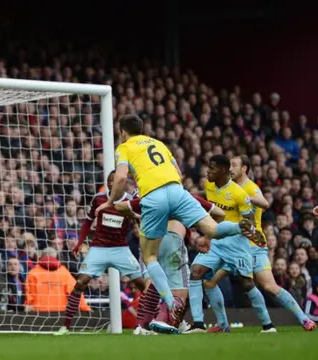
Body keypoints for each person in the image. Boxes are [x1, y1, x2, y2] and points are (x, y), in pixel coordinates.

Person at [97, 114, 255, 334]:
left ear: (123, 132)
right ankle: (241, 226)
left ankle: (171, 305)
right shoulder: (159, 144)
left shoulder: (124, 148)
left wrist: (109, 202)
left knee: (149, 257)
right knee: (212, 229)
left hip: (153, 197)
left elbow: (122, 178)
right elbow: (179, 174)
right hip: (177, 191)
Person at [203, 155, 316, 332]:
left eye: (234, 165)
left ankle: (303, 319)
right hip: (229, 245)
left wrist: (244, 196)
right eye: (229, 165)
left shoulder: (250, 187)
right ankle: (223, 325)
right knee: (209, 282)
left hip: (252, 245)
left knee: (268, 286)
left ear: (244, 168)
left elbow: (265, 203)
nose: (230, 169)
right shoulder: (222, 187)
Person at [186, 154, 273, 334]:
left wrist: (254, 235)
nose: (207, 171)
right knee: (195, 273)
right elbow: (210, 208)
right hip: (216, 241)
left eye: (212, 168)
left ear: (224, 171)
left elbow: (248, 223)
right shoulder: (209, 185)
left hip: (237, 244)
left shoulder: (240, 194)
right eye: (208, 167)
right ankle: (199, 324)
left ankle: (268, 325)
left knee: (247, 284)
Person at [116, 193, 225, 335]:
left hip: (148, 242)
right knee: (181, 291)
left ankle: (142, 327)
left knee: (152, 286)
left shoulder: (146, 192)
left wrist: (135, 216)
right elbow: (219, 213)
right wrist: (206, 236)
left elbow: (120, 206)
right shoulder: (180, 194)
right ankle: (162, 320)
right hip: (172, 239)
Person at [54, 171, 145, 335]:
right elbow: (88, 221)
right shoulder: (98, 199)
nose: (112, 184)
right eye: (109, 181)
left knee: (143, 285)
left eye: (115, 181)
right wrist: (80, 243)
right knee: (80, 282)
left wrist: (136, 217)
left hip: (120, 249)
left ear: (123, 183)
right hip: (98, 248)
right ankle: (65, 327)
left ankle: (143, 325)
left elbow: (140, 221)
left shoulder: (130, 201)